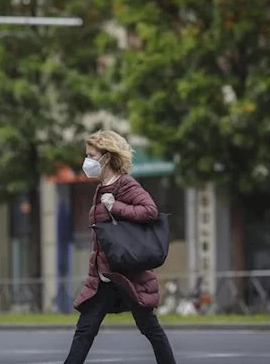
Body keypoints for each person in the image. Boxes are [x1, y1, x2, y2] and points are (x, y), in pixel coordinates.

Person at [63, 130, 177, 364]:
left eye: (92, 155)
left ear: (106, 157)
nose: (88, 161)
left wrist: (116, 207)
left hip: (128, 275)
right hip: (105, 278)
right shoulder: (101, 188)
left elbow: (150, 210)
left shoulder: (124, 184)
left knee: (150, 329)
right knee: (85, 330)